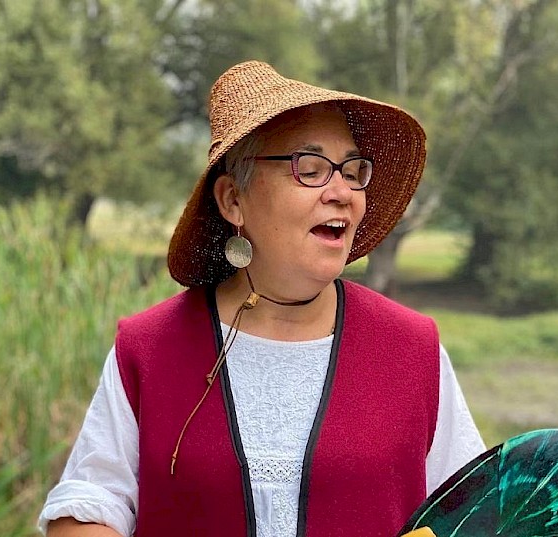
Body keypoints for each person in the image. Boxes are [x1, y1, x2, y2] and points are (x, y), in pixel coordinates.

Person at [38, 60, 486, 537]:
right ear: (233, 201)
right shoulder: (150, 347)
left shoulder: (411, 349)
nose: (342, 193)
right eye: (309, 168)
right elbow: (90, 503)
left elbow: (477, 513)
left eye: (354, 171)